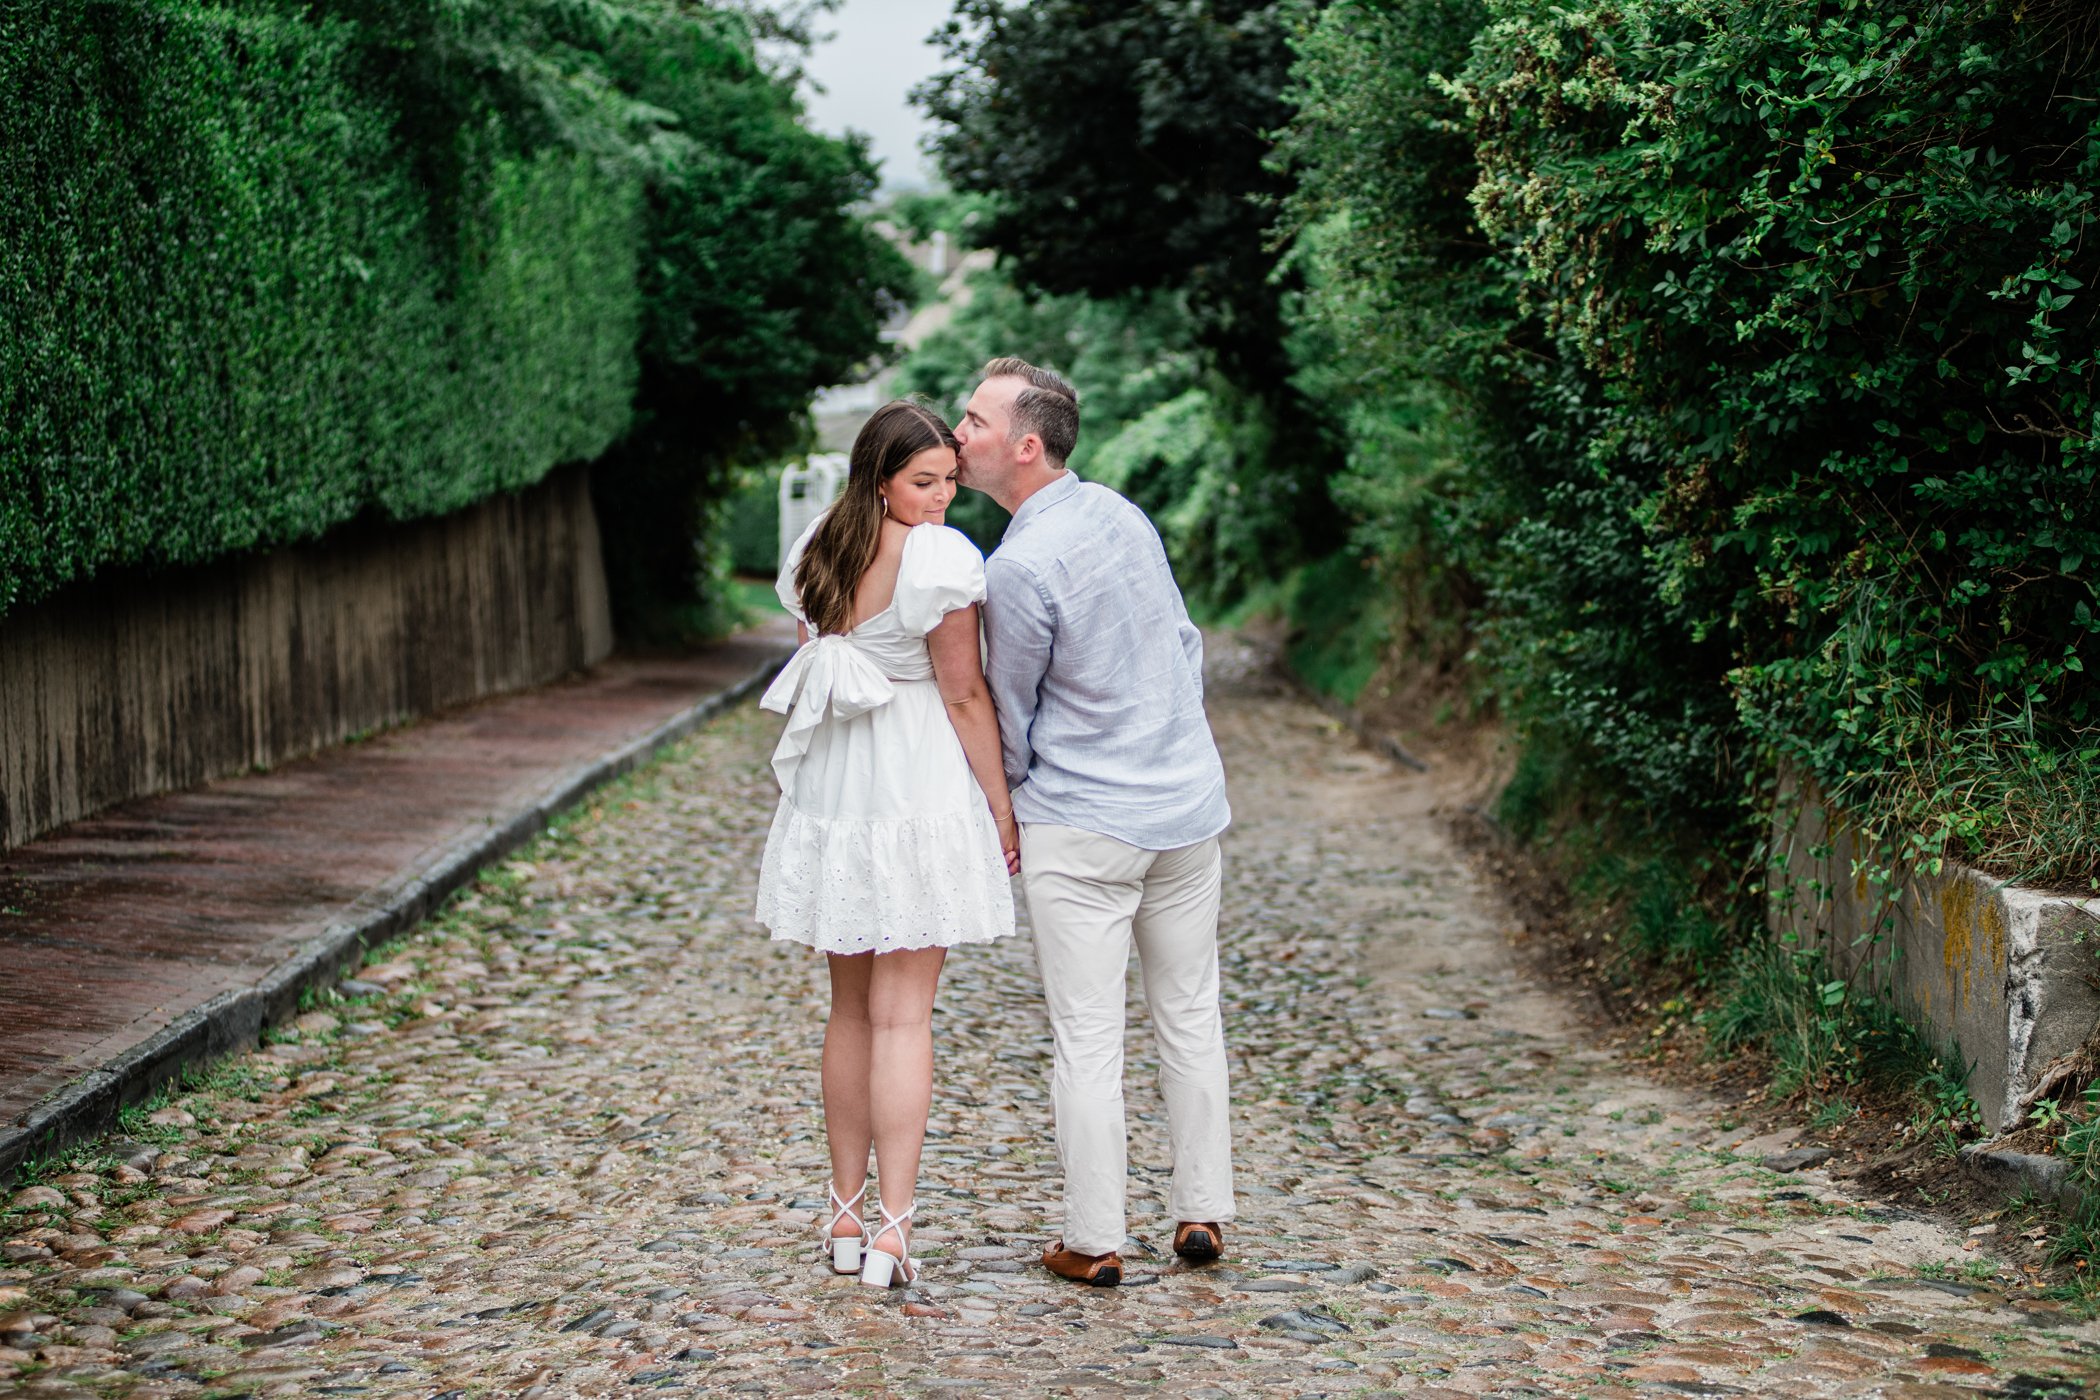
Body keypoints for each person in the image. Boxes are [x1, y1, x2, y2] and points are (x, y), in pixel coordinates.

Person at [954, 356, 1235, 1288]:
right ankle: (1202, 1213)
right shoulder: (1122, 513)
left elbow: (1011, 706)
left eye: (975, 422)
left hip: (1085, 821)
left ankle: (1093, 1237)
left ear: (1026, 447)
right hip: (1186, 806)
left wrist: (1017, 806)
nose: (959, 434)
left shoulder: (1021, 563)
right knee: (1190, 1012)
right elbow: (1183, 644)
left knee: (1087, 1033)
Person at [753, 399, 1020, 1289]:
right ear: (882, 479)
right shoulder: (937, 559)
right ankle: (894, 1231)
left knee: (848, 1010)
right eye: (924, 481)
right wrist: (1001, 808)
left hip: (839, 790)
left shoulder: (818, 551)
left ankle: (841, 1217)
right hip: (913, 785)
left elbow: (826, 667)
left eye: (949, 479)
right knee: (903, 1016)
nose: (944, 497)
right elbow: (963, 695)